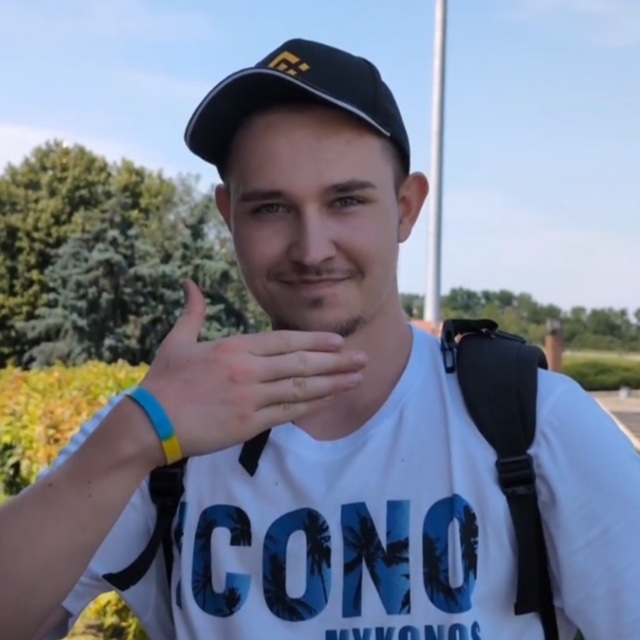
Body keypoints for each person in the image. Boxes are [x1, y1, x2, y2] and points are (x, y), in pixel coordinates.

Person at [1, 38, 639, 640]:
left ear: (406, 208)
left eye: (346, 201)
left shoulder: (535, 423)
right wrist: (139, 437)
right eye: (271, 208)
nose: (311, 249)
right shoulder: (165, 431)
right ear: (229, 215)